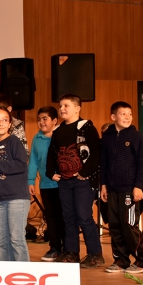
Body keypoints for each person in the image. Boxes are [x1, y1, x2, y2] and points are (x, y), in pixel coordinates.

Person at [46, 94, 104, 268]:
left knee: (83, 216)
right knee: (68, 217)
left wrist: (85, 172)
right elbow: (52, 154)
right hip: (64, 181)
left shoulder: (86, 128)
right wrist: (50, 172)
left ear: (78, 108)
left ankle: (95, 254)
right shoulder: (57, 131)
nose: (62, 109)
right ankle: (71, 252)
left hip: (82, 181)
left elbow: (95, 153)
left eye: (66, 106)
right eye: (60, 106)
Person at [101, 101, 143, 274]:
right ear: (113, 117)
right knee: (115, 225)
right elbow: (104, 164)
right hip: (112, 190)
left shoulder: (137, 137)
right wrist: (103, 186)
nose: (127, 117)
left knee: (129, 225)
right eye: (123, 114)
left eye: (129, 114)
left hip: (130, 190)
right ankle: (121, 260)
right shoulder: (107, 137)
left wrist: (138, 186)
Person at [0, 106, 30, 262]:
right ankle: (7, 275)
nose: (1, 123)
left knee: (16, 239)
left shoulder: (14, 142)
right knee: (2, 240)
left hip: (17, 197)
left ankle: (24, 276)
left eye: (5, 120)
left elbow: (21, 165)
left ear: (10, 124)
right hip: (0, 198)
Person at [28, 106, 66, 262]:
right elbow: (33, 162)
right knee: (50, 218)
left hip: (62, 185)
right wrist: (30, 181)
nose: (41, 122)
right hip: (45, 185)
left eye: (45, 119)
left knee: (63, 217)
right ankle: (54, 248)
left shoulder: (61, 136)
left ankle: (68, 249)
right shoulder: (37, 139)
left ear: (54, 121)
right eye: (39, 119)